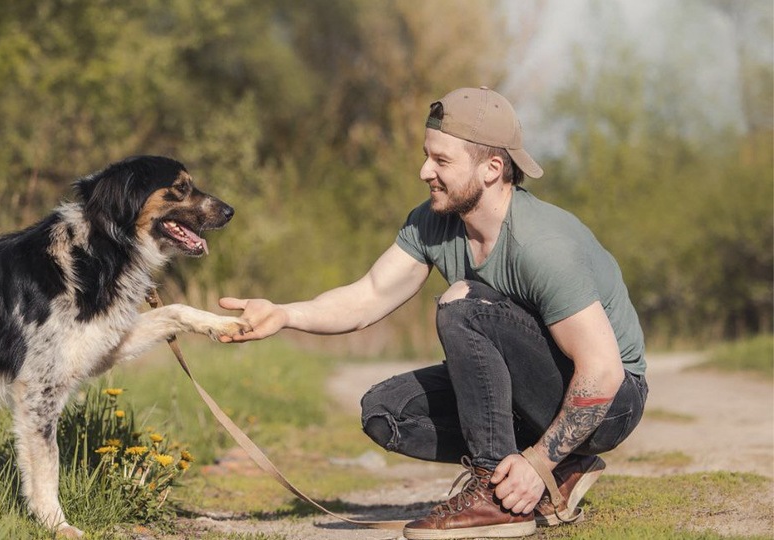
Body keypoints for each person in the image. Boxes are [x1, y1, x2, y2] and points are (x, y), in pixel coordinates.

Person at [218, 87, 647, 539]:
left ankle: (495, 491)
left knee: (463, 303)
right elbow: (368, 294)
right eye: (427, 156)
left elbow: (602, 371)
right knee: (386, 413)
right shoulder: (433, 222)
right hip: (545, 394)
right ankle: (556, 472)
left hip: (611, 404)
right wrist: (284, 314)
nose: (425, 171)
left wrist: (538, 459)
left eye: (441, 161)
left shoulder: (542, 246)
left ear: (492, 169)